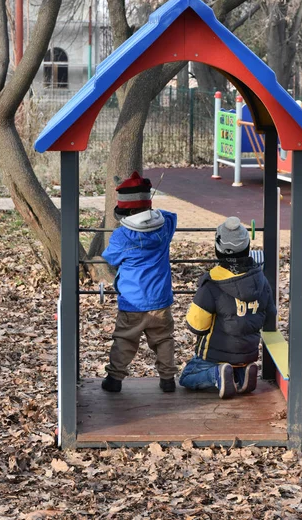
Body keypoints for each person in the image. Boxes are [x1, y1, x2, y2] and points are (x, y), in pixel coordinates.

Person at [179, 216, 276, 399]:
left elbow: (196, 326)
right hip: (247, 353)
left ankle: (216, 375)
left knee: (187, 377)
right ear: (247, 247)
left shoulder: (212, 284)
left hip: (214, 356)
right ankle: (241, 375)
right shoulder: (260, 280)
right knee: (233, 367)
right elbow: (270, 317)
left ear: (218, 249)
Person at [101, 171, 178, 393]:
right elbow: (170, 215)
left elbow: (111, 257)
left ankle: (115, 379)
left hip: (132, 302)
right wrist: (152, 210)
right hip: (160, 300)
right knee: (163, 339)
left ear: (128, 213)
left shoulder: (121, 236)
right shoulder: (165, 227)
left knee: (125, 340)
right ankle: (167, 379)